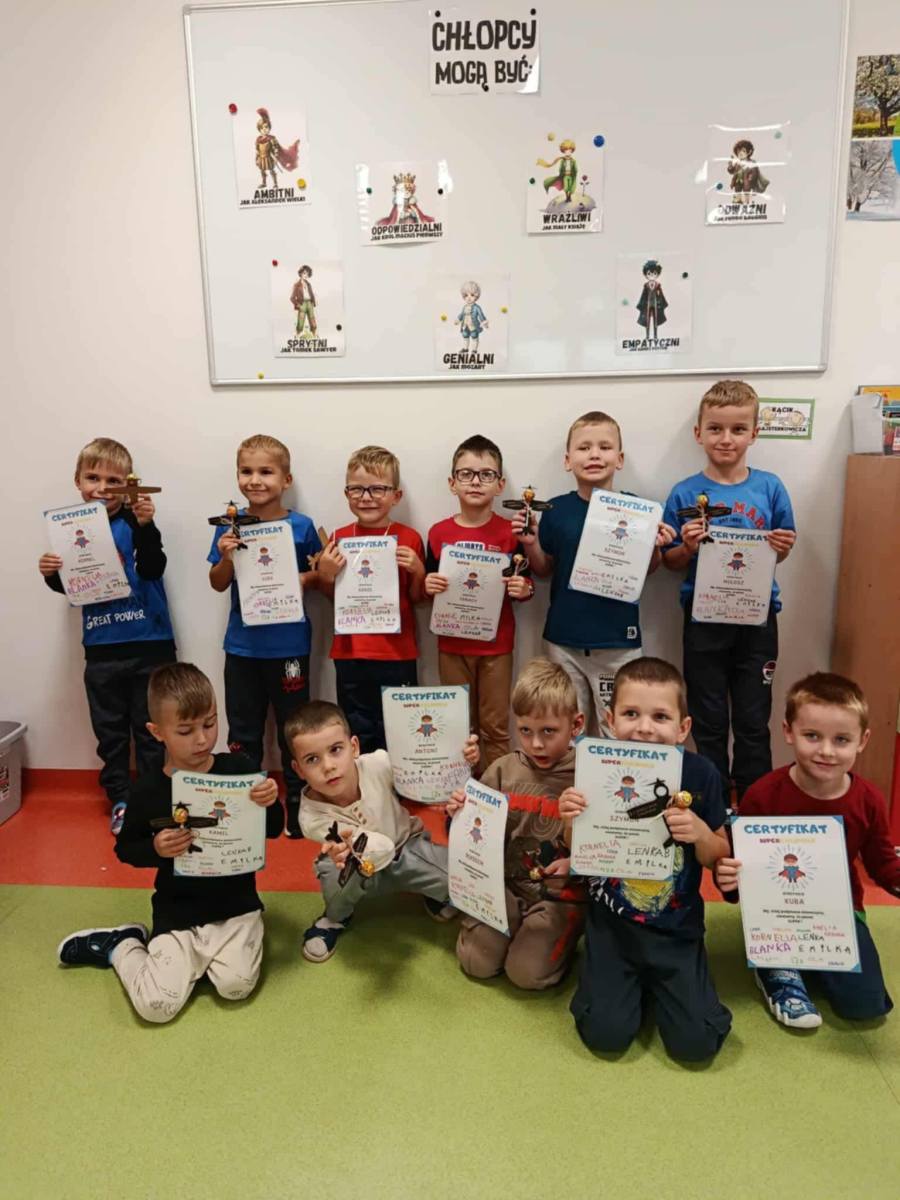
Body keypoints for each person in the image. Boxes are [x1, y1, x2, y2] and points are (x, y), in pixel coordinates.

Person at [57, 663, 283, 1023]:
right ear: (157, 732)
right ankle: (122, 945)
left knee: (235, 987)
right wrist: (156, 849)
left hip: (236, 907)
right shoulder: (147, 790)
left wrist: (270, 802)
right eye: (185, 730)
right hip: (178, 912)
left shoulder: (238, 770)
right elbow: (125, 849)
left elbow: (272, 830)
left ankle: (208, 961)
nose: (202, 740)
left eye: (210, 724)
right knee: (156, 1008)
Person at [562, 657, 732, 1061]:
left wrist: (700, 833)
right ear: (610, 720)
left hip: (676, 930)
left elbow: (719, 856)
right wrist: (569, 819)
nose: (644, 728)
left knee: (696, 1045)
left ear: (682, 728)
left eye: (660, 717)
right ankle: (625, 985)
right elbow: (576, 848)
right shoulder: (596, 767)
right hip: (612, 929)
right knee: (605, 1035)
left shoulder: (702, 774)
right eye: (631, 714)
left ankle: (663, 987)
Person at [716, 672, 900, 1029]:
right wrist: (728, 881)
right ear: (788, 732)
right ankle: (773, 965)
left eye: (841, 739)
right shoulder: (762, 795)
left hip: (839, 912)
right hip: (776, 914)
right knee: (783, 949)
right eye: (812, 736)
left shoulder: (868, 800)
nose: (826, 751)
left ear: (862, 741)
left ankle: (809, 961)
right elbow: (740, 865)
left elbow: (882, 863)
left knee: (865, 1006)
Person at [662, 380, 797, 800]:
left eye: (738, 429)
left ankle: (755, 805)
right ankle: (713, 801)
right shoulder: (684, 492)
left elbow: (783, 548)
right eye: (716, 428)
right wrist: (686, 547)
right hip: (703, 618)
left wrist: (783, 548)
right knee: (708, 719)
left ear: (754, 433)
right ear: (698, 433)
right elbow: (669, 560)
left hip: (757, 618)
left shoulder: (770, 487)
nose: (726, 439)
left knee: (754, 719)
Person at [38, 437, 175, 835]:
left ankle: (151, 801)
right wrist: (51, 574)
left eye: (113, 480)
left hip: (149, 643)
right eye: (92, 478)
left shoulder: (137, 523)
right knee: (109, 733)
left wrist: (146, 526)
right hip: (101, 648)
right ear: (77, 481)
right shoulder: (69, 530)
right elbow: (74, 587)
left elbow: (153, 567)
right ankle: (121, 800)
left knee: (152, 731)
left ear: (129, 485)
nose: (102, 488)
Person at [515, 410, 674, 734]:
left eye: (604, 447)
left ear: (620, 459)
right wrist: (530, 544)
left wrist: (656, 548)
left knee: (618, 731)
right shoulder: (555, 510)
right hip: (564, 640)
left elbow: (648, 570)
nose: (594, 455)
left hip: (618, 641)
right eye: (584, 447)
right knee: (563, 729)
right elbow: (544, 570)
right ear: (567, 460)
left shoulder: (639, 511)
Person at [288, 700, 479, 962]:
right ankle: (334, 918)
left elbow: (428, 769)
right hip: (357, 864)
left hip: (405, 849)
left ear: (354, 747)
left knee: (461, 878)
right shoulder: (310, 816)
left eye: (335, 750)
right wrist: (342, 853)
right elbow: (362, 847)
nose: (328, 766)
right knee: (332, 870)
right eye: (312, 759)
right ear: (298, 769)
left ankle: (433, 892)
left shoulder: (378, 763)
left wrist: (462, 758)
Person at [208, 434, 324, 838]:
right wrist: (226, 556)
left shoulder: (302, 526)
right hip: (242, 647)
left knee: (295, 730)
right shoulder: (229, 525)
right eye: (246, 471)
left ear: (286, 479)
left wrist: (301, 580)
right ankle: (249, 808)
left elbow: (321, 577)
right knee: (243, 732)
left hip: (289, 647)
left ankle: (298, 806)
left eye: (266, 472)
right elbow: (217, 583)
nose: (255, 480)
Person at [446, 659, 586, 989]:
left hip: (560, 897)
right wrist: (457, 815)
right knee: (476, 962)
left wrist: (577, 861)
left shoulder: (588, 775)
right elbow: (472, 838)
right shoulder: (502, 770)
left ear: (576, 725)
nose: (536, 744)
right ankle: (509, 928)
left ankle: (560, 936)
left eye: (548, 731)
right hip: (505, 891)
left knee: (527, 974)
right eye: (525, 731)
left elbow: (606, 847)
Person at [424, 435, 533, 769]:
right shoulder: (438, 533)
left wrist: (523, 588)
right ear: (452, 483)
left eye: (486, 474)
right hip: (451, 644)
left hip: (495, 645)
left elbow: (526, 581)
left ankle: (495, 790)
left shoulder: (511, 532)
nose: (475, 481)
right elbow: (428, 581)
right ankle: (462, 788)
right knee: (458, 726)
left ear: (500, 485)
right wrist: (428, 583)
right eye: (466, 474)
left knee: (495, 727)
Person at [315, 446, 426, 753]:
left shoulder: (410, 538)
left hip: (397, 654)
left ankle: (398, 785)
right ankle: (363, 782)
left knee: (400, 731)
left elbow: (418, 598)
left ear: (396, 496)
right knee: (357, 730)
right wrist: (325, 574)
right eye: (357, 489)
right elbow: (332, 597)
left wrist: (418, 570)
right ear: (346, 493)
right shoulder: (337, 538)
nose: (366, 497)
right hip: (350, 652)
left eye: (378, 489)